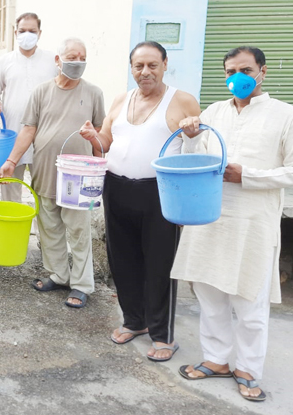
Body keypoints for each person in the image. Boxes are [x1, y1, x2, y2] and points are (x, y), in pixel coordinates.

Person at [172, 46, 293, 402]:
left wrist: (247, 175)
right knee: (210, 293)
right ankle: (215, 359)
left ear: (262, 71)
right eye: (231, 71)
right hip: (210, 217)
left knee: (250, 301)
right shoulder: (214, 112)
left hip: (253, 222)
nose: (238, 78)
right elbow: (194, 159)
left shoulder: (288, 116)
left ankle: (248, 368)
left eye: (245, 69)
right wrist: (188, 136)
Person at [79, 41, 200, 361]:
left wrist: (192, 133)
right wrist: (93, 137)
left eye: (152, 65)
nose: (145, 72)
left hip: (160, 192)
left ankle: (163, 336)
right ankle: (135, 321)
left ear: (164, 65)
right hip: (116, 187)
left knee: (159, 264)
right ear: (131, 68)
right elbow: (105, 143)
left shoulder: (182, 101)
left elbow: (198, 148)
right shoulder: (121, 99)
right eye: (138, 66)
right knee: (123, 259)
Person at [0, 38, 105, 309]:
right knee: (50, 228)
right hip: (46, 170)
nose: (77, 62)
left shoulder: (94, 92)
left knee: (79, 230)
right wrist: (11, 160)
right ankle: (59, 275)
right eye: (71, 56)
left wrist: (94, 137)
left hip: (78, 175)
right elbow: (28, 129)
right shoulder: (42, 92)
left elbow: (102, 137)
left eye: (82, 57)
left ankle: (81, 285)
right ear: (58, 60)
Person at [0, 12, 57, 202]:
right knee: (10, 189)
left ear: (39, 33)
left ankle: (42, 232)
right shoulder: (4, 61)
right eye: (22, 30)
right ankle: (14, 229)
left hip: (44, 137)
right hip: (12, 135)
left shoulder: (53, 61)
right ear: (15, 32)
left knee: (43, 193)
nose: (27, 34)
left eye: (32, 31)